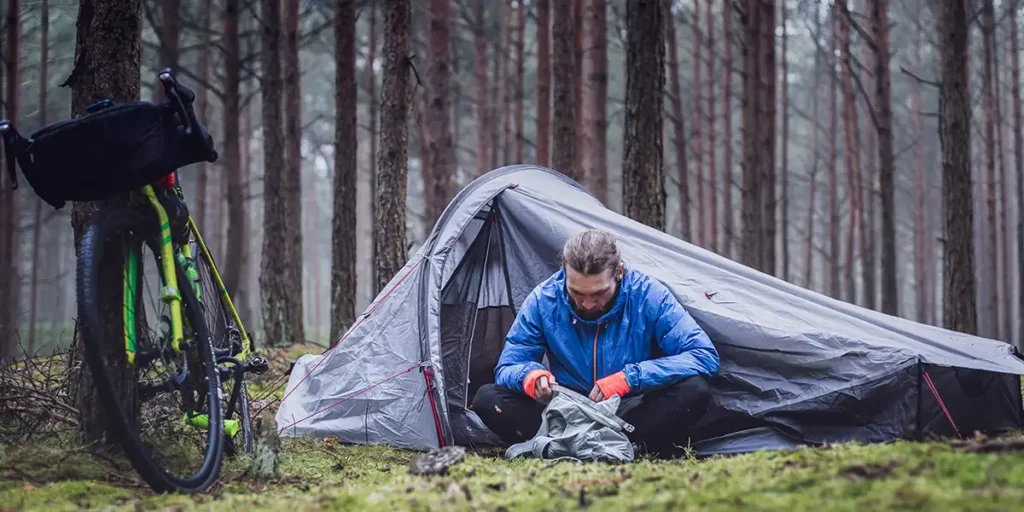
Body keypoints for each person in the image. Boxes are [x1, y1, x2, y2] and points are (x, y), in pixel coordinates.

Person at [472, 229, 719, 456]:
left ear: (619, 273)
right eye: (576, 293)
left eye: (599, 293)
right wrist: (530, 376)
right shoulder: (543, 300)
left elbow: (703, 355)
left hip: (628, 413)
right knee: (487, 398)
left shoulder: (649, 296)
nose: (587, 304)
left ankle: (616, 446)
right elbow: (508, 366)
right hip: (563, 413)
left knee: (695, 390)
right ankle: (575, 444)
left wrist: (629, 378)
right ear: (564, 274)